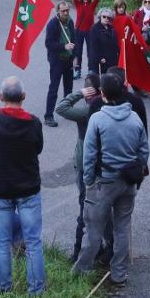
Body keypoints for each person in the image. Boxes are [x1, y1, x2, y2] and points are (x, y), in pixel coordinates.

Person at [73, 74, 150, 286]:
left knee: (94, 230)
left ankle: (81, 270)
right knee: (122, 228)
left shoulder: (97, 119)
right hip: (127, 183)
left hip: (103, 182)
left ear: (103, 94)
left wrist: (88, 180)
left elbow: (89, 154)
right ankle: (119, 274)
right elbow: (143, 152)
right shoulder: (134, 118)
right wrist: (136, 174)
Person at [0, 77, 46, 295]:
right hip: (28, 188)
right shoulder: (34, 123)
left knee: (1, 243)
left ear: (0, 97)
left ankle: (3, 287)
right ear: (24, 97)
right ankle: (36, 289)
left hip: (0, 189)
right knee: (33, 241)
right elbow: (38, 148)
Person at [56, 74, 102, 262]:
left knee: (84, 207)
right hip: (103, 165)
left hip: (85, 163)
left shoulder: (86, 111)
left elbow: (61, 108)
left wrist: (77, 93)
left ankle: (78, 252)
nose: (86, 94)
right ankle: (102, 248)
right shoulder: (108, 108)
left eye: (88, 89)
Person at [43, 1, 77, 126]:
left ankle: (67, 111)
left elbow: (74, 40)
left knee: (68, 87)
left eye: (67, 10)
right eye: (63, 11)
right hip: (57, 60)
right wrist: (64, 46)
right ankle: (48, 116)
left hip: (68, 60)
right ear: (58, 11)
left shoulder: (70, 22)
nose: (66, 13)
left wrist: (75, 57)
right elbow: (49, 44)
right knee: (54, 88)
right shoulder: (53, 24)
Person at [71, 0, 101, 78]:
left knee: (90, 51)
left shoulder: (92, 5)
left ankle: (91, 70)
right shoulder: (78, 4)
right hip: (78, 31)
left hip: (90, 31)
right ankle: (77, 70)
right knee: (78, 51)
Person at [87, 9, 120, 75]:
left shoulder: (111, 28)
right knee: (98, 82)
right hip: (100, 60)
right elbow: (93, 46)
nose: (106, 18)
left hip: (111, 60)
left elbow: (115, 43)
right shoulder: (94, 28)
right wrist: (99, 58)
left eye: (108, 17)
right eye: (104, 17)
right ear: (100, 17)